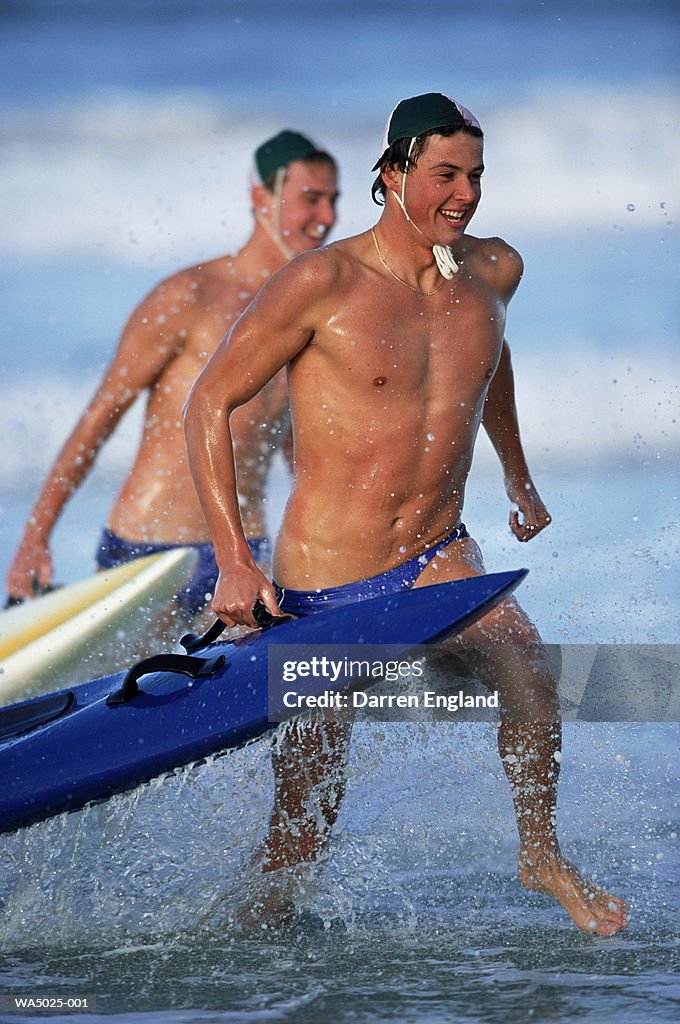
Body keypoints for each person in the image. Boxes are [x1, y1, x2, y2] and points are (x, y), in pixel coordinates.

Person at [183, 94, 628, 935]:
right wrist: (236, 560)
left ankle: (540, 856)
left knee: (528, 670)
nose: (464, 194)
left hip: (436, 555)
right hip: (324, 587)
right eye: (444, 175)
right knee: (301, 835)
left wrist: (519, 478)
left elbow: (485, 361)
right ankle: (248, 935)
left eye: (476, 175)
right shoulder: (325, 281)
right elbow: (208, 403)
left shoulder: (494, 272)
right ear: (391, 177)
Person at [7, 130, 340, 626]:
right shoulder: (190, 295)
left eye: (334, 201)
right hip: (151, 556)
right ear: (260, 198)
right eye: (310, 200)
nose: (327, 218)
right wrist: (35, 539)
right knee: (141, 700)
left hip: (247, 552)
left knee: (276, 696)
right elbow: (100, 417)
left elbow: (290, 439)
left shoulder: (309, 308)